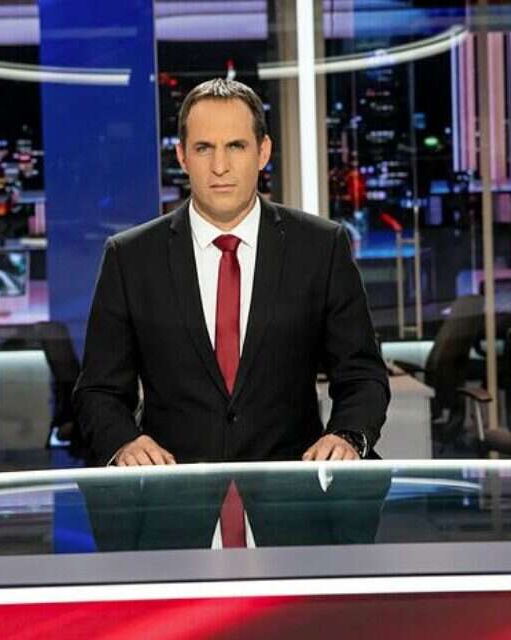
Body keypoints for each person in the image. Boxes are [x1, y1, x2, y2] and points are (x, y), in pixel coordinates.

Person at [73, 79, 390, 548]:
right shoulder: (131, 258)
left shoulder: (320, 247)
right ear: (182, 156)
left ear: (263, 152)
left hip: (293, 512)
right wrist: (125, 442)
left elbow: (362, 375)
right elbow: (98, 390)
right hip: (172, 513)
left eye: (235, 146)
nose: (219, 166)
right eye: (203, 148)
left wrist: (346, 437)